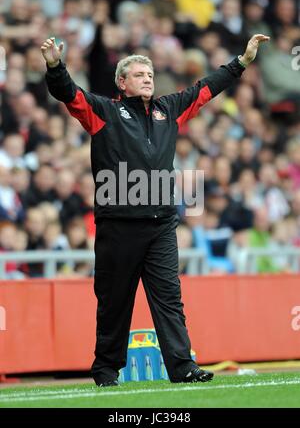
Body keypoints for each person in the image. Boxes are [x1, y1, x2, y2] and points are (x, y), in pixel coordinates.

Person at [41, 33, 269, 386]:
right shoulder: (103, 111)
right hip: (118, 225)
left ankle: (182, 366)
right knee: (114, 303)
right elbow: (68, 93)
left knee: (169, 299)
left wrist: (241, 62)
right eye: (139, 74)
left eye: (149, 74)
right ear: (122, 82)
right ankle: (105, 371)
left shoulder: (169, 109)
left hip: (161, 224)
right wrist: (55, 66)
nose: (147, 78)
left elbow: (205, 89)